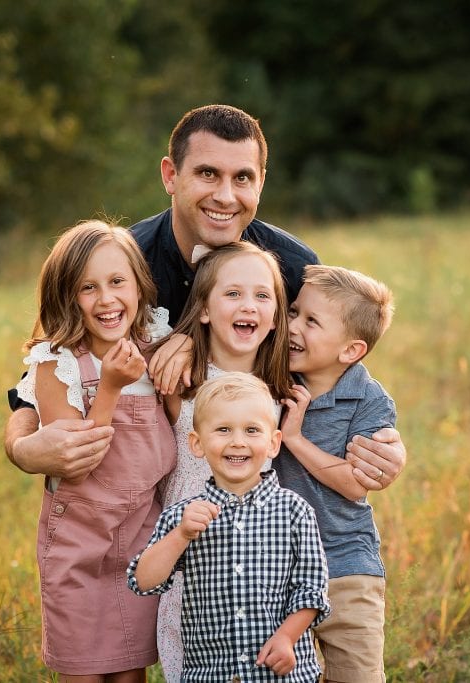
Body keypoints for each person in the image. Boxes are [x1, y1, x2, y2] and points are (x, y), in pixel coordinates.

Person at [4, 104, 406, 493]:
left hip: (259, 485)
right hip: (138, 488)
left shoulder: (291, 267)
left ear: (261, 182)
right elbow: (53, 358)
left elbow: (336, 357)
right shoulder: (124, 262)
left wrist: (383, 437)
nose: (226, 196)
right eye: (208, 173)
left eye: (243, 178)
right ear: (170, 175)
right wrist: (22, 447)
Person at [13, 220, 177, 681]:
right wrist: (109, 388)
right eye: (88, 287)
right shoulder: (57, 362)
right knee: (83, 669)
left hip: (142, 538)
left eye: (117, 282)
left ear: (139, 287)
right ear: (67, 296)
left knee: (129, 670)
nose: (107, 300)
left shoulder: (156, 343)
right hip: (79, 543)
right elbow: (77, 462)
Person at [149, 240, 292, 681]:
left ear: (274, 317)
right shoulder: (180, 380)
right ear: (204, 309)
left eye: (261, 295)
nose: (248, 304)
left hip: (261, 569)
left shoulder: (280, 388)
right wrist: (178, 344)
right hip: (191, 563)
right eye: (232, 294)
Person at [128, 372, 330, 682]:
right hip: (210, 674)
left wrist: (287, 638)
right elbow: (143, 581)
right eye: (223, 429)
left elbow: (311, 589)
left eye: (252, 430)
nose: (238, 441)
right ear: (197, 443)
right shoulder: (184, 515)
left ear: (273, 442)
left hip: (281, 674)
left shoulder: (294, 511)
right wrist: (180, 536)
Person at [276, 265, 397, 682]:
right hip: (280, 565)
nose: (292, 326)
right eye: (293, 312)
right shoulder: (274, 379)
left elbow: (353, 482)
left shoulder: (369, 398)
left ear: (351, 351)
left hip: (346, 564)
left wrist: (294, 439)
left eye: (311, 321)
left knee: (358, 674)